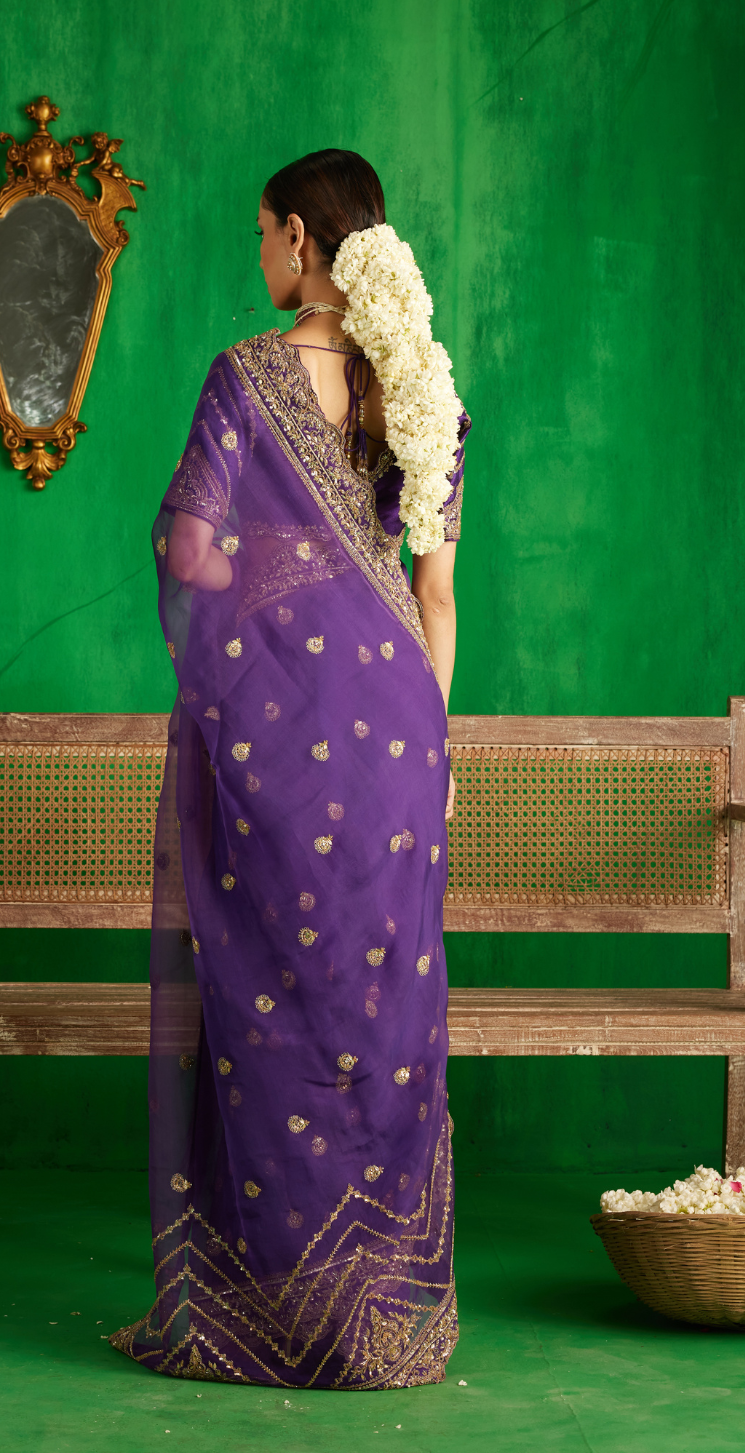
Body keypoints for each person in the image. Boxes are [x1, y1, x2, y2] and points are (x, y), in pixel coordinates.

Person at [111, 149, 470, 1389]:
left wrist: (269, 580)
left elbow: (187, 552)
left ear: (303, 242)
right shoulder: (423, 387)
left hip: (277, 737)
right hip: (403, 742)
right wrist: (432, 753)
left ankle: (268, 1311)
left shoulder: (245, 378)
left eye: (264, 231)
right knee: (383, 1013)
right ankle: (385, 1316)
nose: (259, 253)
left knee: (270, 1002)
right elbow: (437, 595)